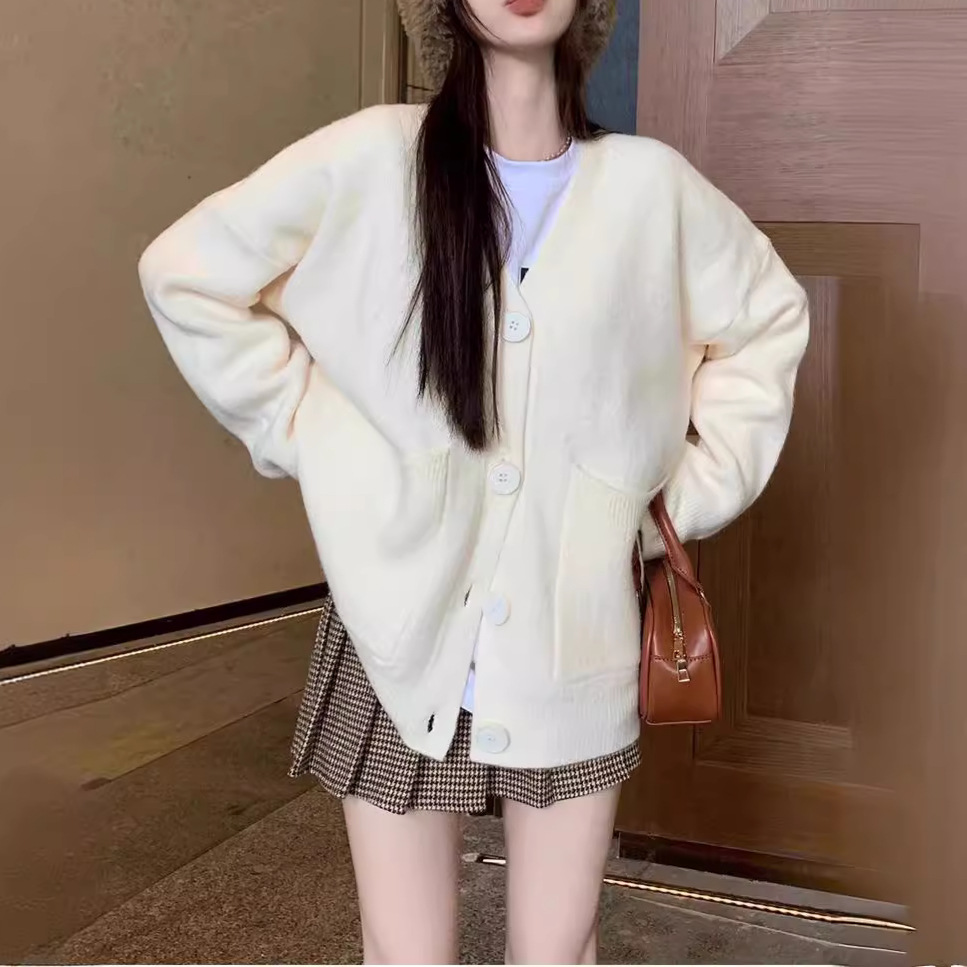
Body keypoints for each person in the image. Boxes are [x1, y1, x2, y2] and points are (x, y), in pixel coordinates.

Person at [138, 0, 809, 961]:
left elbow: (768, 321)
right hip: (394, 633)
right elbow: (186, 273)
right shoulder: (372, 158)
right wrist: (309, 434)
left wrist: (677, 500)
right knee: (405, 952)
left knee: (556, 949)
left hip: (574, 637)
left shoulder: (650, 190)